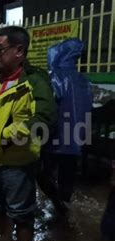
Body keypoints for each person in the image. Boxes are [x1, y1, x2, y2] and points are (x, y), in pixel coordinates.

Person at [0, 26, 57, 241]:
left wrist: (8, 135)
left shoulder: (34, 81)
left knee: (21, 215)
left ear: (19, 50)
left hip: (18, 164)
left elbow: (45, 116)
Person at [39, 39, 93, 216]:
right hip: (76, 136)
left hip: (55, 136)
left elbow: (47, 106)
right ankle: (65, 207)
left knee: (42, 173)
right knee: (67, 176)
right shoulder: (84, 80)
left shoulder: (54, 78)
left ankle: (58, 206)